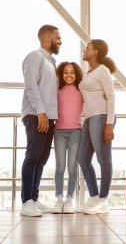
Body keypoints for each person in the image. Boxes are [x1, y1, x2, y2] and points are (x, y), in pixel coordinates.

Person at [20, 24, 62, 217]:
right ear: (47, 39)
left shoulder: (51, 63)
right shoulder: (34, 57)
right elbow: (31, 86)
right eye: (57, 37)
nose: (60, 41)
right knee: (33, 155)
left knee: (42, 158)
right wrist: (41, 113)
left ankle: (34, 199)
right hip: (36, 115)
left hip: (49, 117)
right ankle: (26, 201)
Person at [77, 39, 117, 215]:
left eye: (88, 47)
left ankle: (103, 200)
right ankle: (94, 197)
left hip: (101, 117)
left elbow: (111, 97)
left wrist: (109, 124)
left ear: (95, 52)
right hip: (89, 119)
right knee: (82, 159)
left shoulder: (103, 70)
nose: (84, 49)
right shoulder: (90, 72)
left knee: (103, 158)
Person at [51, 62, 83, 214]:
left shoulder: (81, 90)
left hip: (76, 132)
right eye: (65, 72)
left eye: (72, 72)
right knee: (60, 167)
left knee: (72, 167)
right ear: (61, 74)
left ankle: (70, 199)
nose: (69, 75)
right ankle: (59, 199)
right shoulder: (57, 90)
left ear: (76, 75)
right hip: (59, 132)